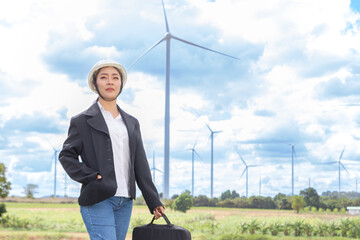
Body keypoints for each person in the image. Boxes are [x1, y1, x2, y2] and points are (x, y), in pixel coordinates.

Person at [59, 59, 165, 240]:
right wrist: (91, 176)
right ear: (95, 83)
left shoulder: (132, 122)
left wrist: (153, 200)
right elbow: (66, 155)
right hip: (98, 198)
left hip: (125, 200)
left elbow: (141, 164)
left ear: (121, 84)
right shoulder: (81, 121)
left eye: (115, 77)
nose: (110, 82)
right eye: (104, 77)